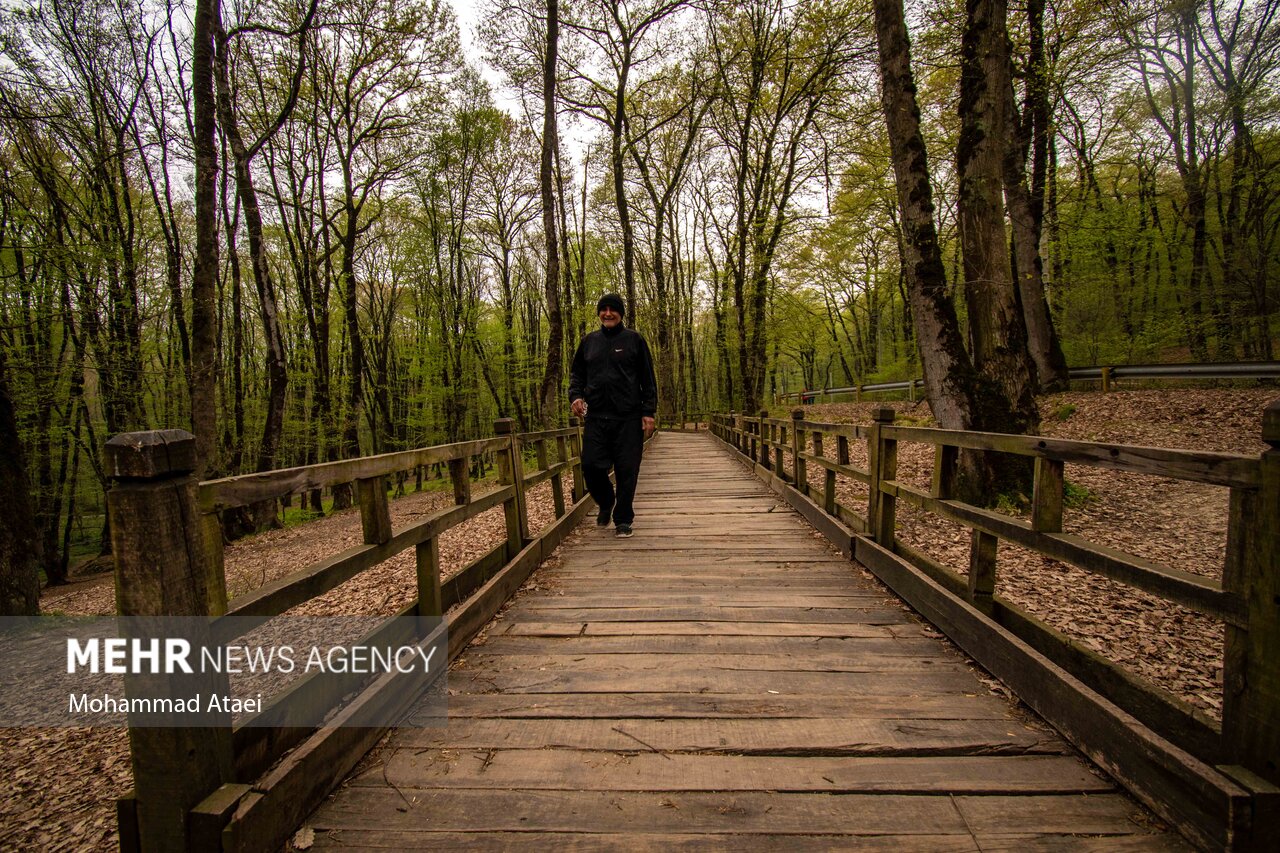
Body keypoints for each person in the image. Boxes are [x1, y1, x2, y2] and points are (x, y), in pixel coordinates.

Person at [568, 293, 657, 538]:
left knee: (627, 470)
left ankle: (623, 519)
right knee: (590, 466)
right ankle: (606, 501)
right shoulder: (589, 342)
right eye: (603, 309)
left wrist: (648, 411)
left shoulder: (634, 340)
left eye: (613, 309)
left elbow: (647, 378)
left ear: (621, 314)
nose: (608, 313)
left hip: (628, 417)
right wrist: (575, 396)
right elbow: (577, 375)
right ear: (599, 313)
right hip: (596, 417)